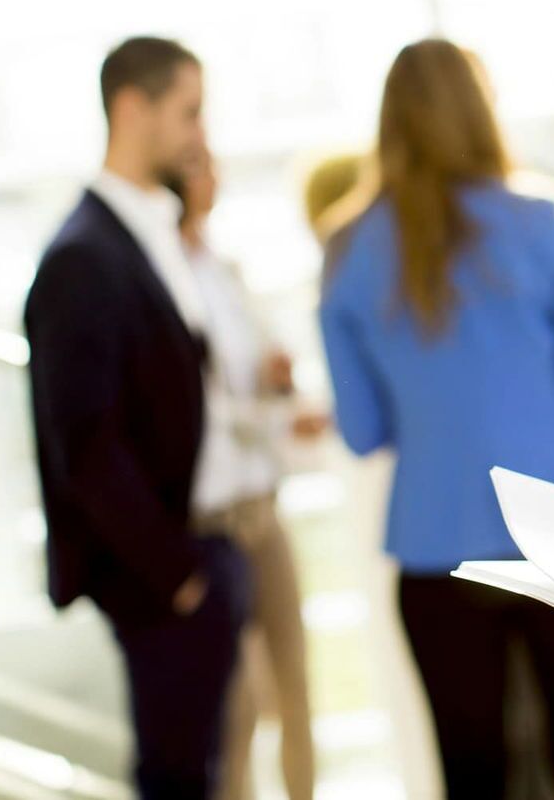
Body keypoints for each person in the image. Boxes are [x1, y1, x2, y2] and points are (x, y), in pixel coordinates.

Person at [317, 39, 554, 799]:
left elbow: (363, 432)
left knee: (471, 775)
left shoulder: (349, 248)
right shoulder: (544, 220)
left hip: (436, 546)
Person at [25, 37, 250, 800]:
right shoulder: (83, 257)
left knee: (203, 769)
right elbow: (83, 444)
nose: (199, 135)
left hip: (203, 553)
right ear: (132, 108)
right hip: (162, 578)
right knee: (177, 778)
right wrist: (176, 575)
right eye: (188, 113)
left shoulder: (152, 232)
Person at [168, 146, 323, 800]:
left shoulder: (226, 270)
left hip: (263, 506)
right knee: (236, 714)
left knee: (295, 691)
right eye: (201, 165)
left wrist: (274, 387)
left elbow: (248, 387)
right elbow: (199, 407)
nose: (217, 177)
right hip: (209, 525)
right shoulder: (159, 280)